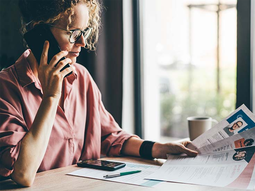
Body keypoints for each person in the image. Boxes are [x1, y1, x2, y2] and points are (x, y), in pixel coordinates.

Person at [0, 0, 197, 187]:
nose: (82, 42)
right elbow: (23, 174)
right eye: (73, 33)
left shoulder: (81, 78)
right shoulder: (7, 87)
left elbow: (110, 137)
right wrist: (51, 97)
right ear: (40, 32)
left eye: (84, 31)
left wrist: (160, 149)